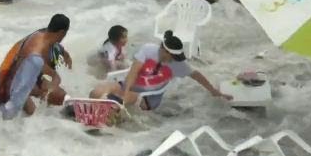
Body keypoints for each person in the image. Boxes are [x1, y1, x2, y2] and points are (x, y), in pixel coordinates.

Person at [90, 30, 231, 110]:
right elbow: (133, 72)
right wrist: (123, 92)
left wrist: (214, 91)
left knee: (113, 106)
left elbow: (197, 75)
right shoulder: (148, 50)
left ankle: (107, 113)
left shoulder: (178, 64)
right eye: (172, 55)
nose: (174, 59)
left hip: (149, 96)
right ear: (163, 50)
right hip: (130, 85)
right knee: (96, 92)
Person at [0, 14, 73, 119]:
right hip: (14, 82)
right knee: (31, 112)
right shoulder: (36, 45)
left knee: (61, 96)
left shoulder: (51, 42)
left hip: (32, 80)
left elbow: (66, 58)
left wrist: (50, 84)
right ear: (62, 32)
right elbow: (20, 75)